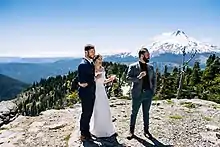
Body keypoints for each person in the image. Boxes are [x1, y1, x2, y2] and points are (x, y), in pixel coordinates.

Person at [79, 54, 117, 138]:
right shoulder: (91, 69)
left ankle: (107, 129)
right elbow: (90, 80)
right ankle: (97, 130)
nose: (100, 61)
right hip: (94, 91)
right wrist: (95, 77)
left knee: (105, 110)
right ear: (95, 60)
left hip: (102, 91)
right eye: (99, 59)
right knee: (97, 111)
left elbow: (103, 81)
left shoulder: (102, 68)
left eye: (101, 59)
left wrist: (110, 79)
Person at [126, 47, 156, 139]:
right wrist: (138, 77)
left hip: (148, 93)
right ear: (142, 55)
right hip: (137, 94)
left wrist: (152, 91)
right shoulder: (133, 66)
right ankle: (131, 131)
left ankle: (146, 131)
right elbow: (127, 78)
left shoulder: (150, 67)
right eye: (147, 55)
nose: (149, 56)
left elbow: (154, 79)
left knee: (146, 113)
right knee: (134, 113)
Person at [77, 44, 96, 141]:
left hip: (90, 92)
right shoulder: (83, 64)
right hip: (86, 93)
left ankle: (86, 132)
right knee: (86, 113)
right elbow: (82, 82)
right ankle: (83, 134)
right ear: (86, 52)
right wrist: (94, 80)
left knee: (89, 113)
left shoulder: (89, 63)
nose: (93, 53)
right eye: (91, 51)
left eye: (94, 51)